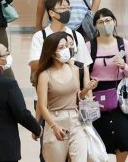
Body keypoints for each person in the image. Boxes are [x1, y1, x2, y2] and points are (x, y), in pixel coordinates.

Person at [34, 31, 96, 162]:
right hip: (55, 120)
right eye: (61, 47)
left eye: (67, 46)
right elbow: (42, 105)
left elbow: (77, 95)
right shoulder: (44, 75)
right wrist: (52, 125)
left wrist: (86, 90)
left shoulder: (74, 69)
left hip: (76, 119)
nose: (66, 50)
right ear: (51, 52)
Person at [88, 9, 128, 162]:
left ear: (114, 22)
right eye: (100, 22)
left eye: (108, 20)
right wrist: (88, 85)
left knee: (122, 136)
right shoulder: (89, 46)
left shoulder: (123, 44)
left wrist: (124, 66)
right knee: (96, 137)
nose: (105, 24)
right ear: (95, 25)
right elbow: (82, 72)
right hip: (95, 95)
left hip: (118, 95)